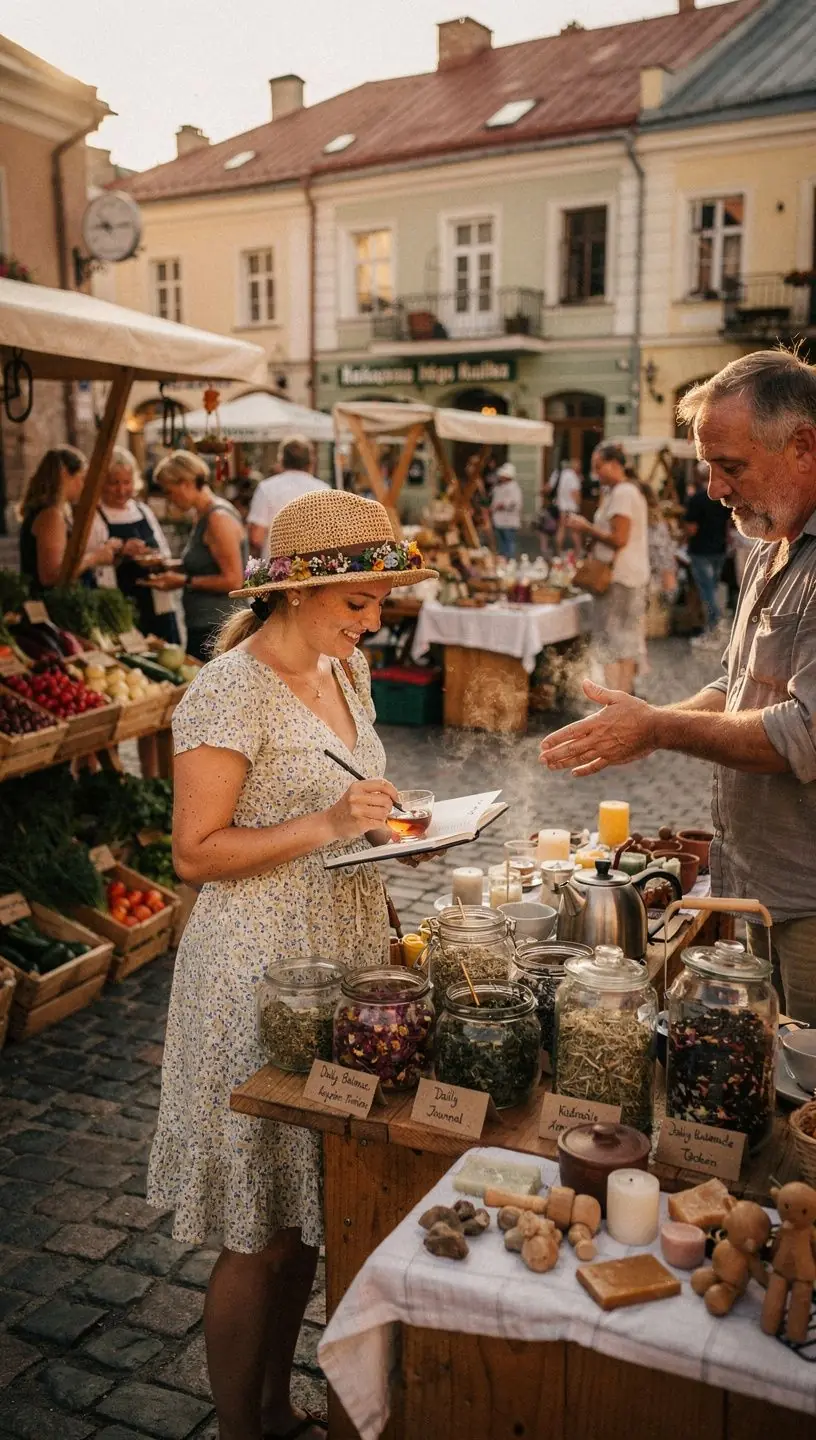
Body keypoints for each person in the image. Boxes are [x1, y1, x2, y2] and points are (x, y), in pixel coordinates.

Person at [145, 490, 435, 1440]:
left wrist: (392, 843)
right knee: (258, 1234)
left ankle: (276, 1409)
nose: (374, 620)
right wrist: (328, 824)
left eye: (382, 601)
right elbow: (194, 852)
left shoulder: (344, 674)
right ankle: (244, 1427)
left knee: (311, 1205)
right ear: (297, 593)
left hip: (339, 953)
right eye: (359, 602)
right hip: (257, 974)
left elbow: (348, 804)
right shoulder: (227, 690)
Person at [539, 350, 816, 1022]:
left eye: (733, 466)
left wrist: (660, 728)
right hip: (754, 883)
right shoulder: (773, 544)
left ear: (803, 445)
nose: (716, 487)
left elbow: (801, 733)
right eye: (709, 468)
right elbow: (737, 685)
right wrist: (650, 720)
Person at [143, 451, 248, 662]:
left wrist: (184, 581)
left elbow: (233, 580)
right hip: (205, 624)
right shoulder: (202, 514)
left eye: (169, 492)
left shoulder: (217, 518)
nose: (170, 500)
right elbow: (204, 563)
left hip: (218, 627)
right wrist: (168, 566)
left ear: (185, 484)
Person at [567, 443, 649, 695]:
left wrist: (585, 527)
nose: (596, 473)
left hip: (619, 578)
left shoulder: (623, 493)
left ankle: (615, 698)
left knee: (613, 640)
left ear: (614, 465)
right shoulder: (621, 492)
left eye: (598, 467)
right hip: (628, 576)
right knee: (624, 639)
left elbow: (619, 538)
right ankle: (623, 696)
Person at [85, 447, 181, 645]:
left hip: (155, 603)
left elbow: (164, 552)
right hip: (119, 606)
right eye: (114, 483)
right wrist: (120, 551)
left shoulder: (142, 510)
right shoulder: (94, 518)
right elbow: (91, 563)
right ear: (102, 482)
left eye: (126, 482)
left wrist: (151, 555)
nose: (122, 490)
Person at [18, 445, 120, 591]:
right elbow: (51, 575)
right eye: (81, 478)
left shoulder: (50, 512)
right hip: (53, 607)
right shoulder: (51, 516)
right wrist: (95, 557)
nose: (83, 485)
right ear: (65, 475)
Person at [246, 435, 329, 556]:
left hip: (276, 569)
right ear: (311, 462)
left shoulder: (266, 488)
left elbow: (256, 537)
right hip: (315, 569)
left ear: (281, 460)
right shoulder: (324, 490)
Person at [685, 459, 730, 648]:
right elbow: (729, 524)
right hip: (719, 548)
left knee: (708, 592)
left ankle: (715, 628)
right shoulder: (722, 497)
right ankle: (717, 627)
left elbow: (691, 529)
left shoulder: (697, 499)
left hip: (701, 550)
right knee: (713, 588)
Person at [490, 461, 523, 558]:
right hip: (499, 519)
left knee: (509, 542)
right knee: (501, 543)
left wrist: (502, 505)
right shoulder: (499, 486)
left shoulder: (514, 487)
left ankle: (510, 560)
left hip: (509, 520)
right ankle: (503, 560)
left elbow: (514, 502)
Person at [552, 457, 583, 554]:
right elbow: (575, 493)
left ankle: (558, 551)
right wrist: (578, 505)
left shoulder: (563, 474)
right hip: (571, 507)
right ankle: (578, 552)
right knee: (575, 531)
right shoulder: (573, 476)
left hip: (562, 506)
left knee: (561, 529)